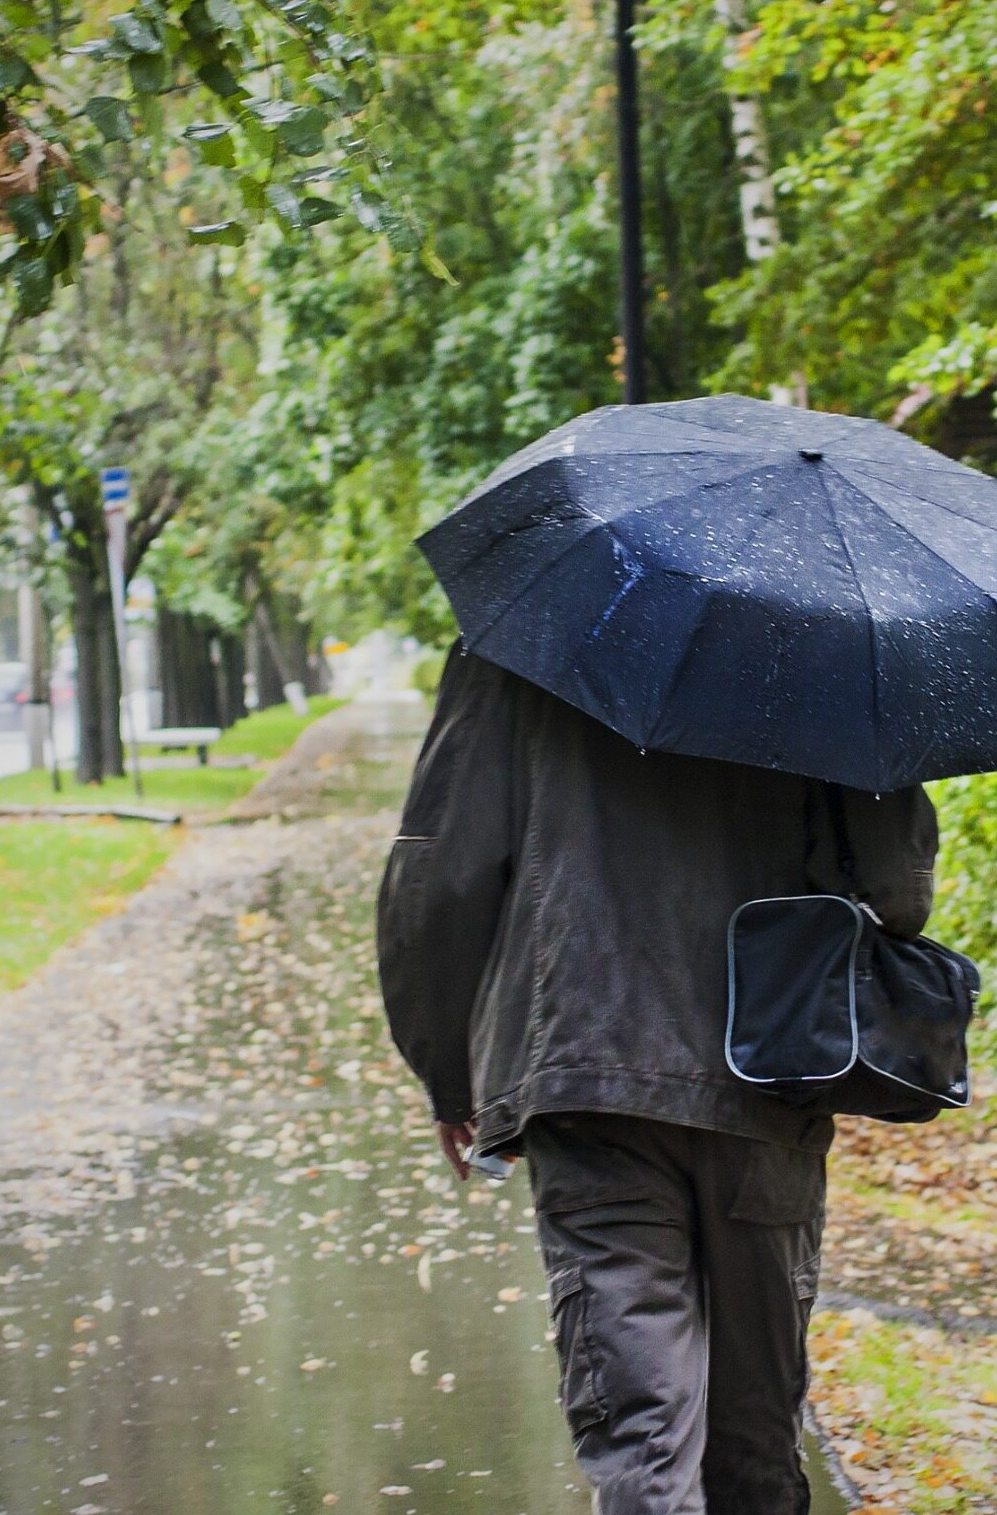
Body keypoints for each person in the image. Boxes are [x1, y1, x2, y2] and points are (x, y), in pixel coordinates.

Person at [378, 646, 939, 1515]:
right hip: (768, 1068)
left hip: (587, 1065)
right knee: (755, 1442)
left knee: (640, 1433)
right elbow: (896, 892)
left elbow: (441, 865)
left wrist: (447, 1072)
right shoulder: (823, 643)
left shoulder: (526, 637)